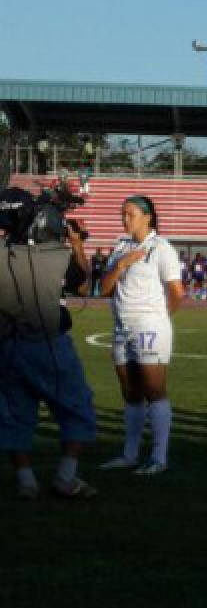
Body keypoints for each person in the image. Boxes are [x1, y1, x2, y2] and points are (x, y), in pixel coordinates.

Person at [1, 191, 99, 499]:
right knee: (77, 407)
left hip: (6, 347)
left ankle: (26, 481)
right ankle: (66, 477)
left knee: (14, 415)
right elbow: (84, 285)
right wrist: (78, 244)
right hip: (48, 344)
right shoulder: (57, 255)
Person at [96, 196, 186, 475]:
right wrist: (121, 265)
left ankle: (159, 458)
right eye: (123, 214)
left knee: (154, 391)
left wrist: (159, 319)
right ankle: (130, 454)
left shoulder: (161, 248)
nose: (125, 219)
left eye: (130, 214)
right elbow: (105, 288)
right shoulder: (121, 247)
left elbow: (176, 291)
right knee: (130, 393)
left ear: (147, 217)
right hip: (122, 326)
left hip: (149, 326)